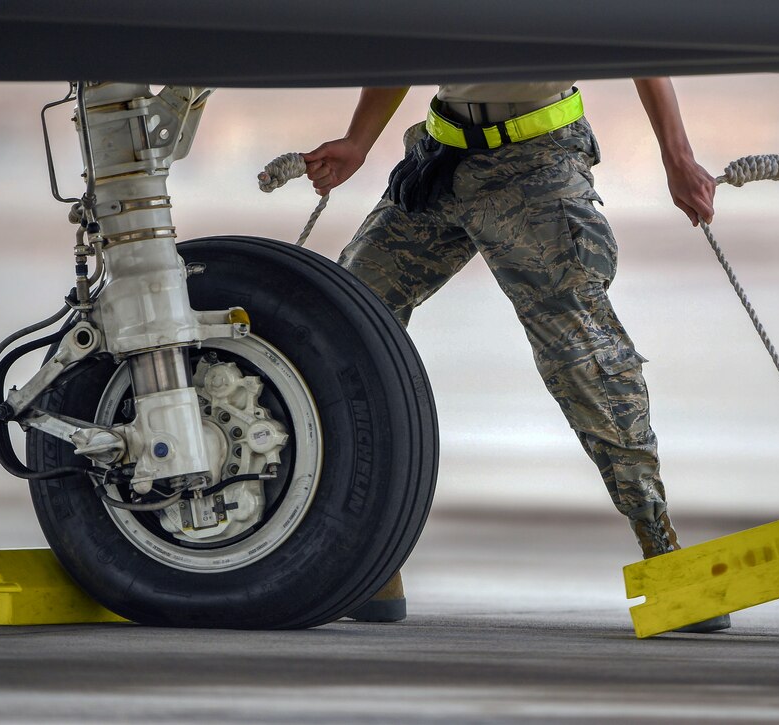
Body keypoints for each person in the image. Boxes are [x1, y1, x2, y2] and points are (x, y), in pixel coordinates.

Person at [304, 78, 726, 631]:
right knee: (348, 319)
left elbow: (645, 57)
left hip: (537, 164)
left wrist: (679, 159)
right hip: (443, 156)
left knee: (583, 359)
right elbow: (409, 42)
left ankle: (662, 548)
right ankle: (370, 558)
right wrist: (359, 140)